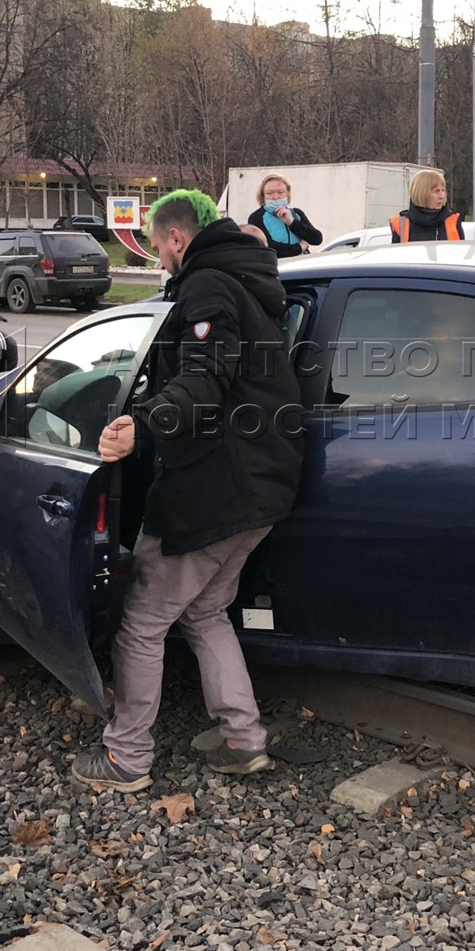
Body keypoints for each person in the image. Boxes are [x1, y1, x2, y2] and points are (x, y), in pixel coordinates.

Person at [71, 190, 305, 793]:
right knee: (205, 610)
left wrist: (144, 424)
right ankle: (244, 739)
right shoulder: (250, 282)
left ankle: (126, 757)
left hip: (215, 488)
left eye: (155, 246)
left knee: (144, 620)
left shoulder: (207, 288)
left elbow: (204, 378)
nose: (156, 258)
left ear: (177, 238)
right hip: (266, 485)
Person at [246, 174, 322, 258]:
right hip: (276, 267)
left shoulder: (296, 213)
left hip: (301, 265)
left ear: (287, 194)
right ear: (263, 196)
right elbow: (268, 247)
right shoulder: (256, 217)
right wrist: (299, 248)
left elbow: (316, 239)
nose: (275, 197)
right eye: (270, 193)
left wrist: (291, 222)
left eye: (280, 192)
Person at [389, 169, 465, 243]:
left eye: (443, 190)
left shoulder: (453, 221)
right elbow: (395, 255)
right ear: (421, 193)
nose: (441, 196)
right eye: (436, 191)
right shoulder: (401, 224)